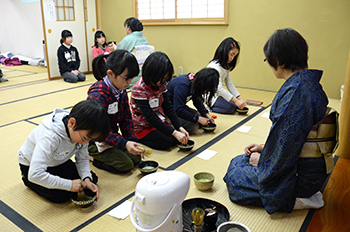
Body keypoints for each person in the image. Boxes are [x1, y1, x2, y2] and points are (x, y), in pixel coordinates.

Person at [223, 28, 330, 214]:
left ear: (278, 61)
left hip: (300, 178)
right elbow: (293, 139)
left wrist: (264, 161)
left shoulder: (297, 93)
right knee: (239, 161)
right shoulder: (308, 85)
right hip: (310, 168)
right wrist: (264, 148)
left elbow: (286, 149)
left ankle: (297, 199)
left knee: (234, 176)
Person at [18, 100, 110, 203]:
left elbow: (82, 158)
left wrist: (86, 179)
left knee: (91, 179)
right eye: (85, 138)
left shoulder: (81, 129)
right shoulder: (49, 138)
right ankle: (26, 180)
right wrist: (69, 185)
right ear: (71, 123)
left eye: (90, 140)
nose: (86, 143)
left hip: (58, 160)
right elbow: (35, 174)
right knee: (61, 196)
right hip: (31, 166)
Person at [87, 50, 145, 173]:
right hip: (96, 139)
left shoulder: (121, 90)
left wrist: (131, 141)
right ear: (110, 74)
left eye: (132, 78)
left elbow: (126, 119)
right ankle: (92, 157)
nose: (129, 82)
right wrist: (123, 143)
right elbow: (98, 130)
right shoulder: (98, 95)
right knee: (126, 166)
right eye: (126, 78)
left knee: (136, 158)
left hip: (110, 137)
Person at [130, 51, 189, 150]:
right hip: (142, 125)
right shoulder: (139, 89)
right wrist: (174, 132)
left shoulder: (161, 83)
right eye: (161, 78)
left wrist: (179, 127)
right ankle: (138, 137)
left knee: (175, 140)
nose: (162, 81)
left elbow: (168, 107)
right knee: (166, 143)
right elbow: (150, 117)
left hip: (158, 120)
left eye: (165, 78)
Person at [167, 68, 219, 134]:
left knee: (200, 116)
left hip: (177, 107)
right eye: (207, 89)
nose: (206, 92)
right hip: (168, 111)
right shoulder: (182, 86)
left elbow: (197, 101)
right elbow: (178, 109)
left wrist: (206, 114)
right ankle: (166, 126)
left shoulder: (195, 82)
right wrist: (198, 119)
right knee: (193, 127)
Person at [207, 37, 247, 114]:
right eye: (232, 54)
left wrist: (239, 99)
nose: (232, 58)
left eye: (234, 56)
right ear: (224, 51)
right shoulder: (215, 67)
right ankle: (208, 107)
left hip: (217, 94)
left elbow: (229, 84)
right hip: (210, 96)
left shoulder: (225, 66)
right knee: (231, 108)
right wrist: (236, 100)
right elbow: (218, 88)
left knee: (235, 105)